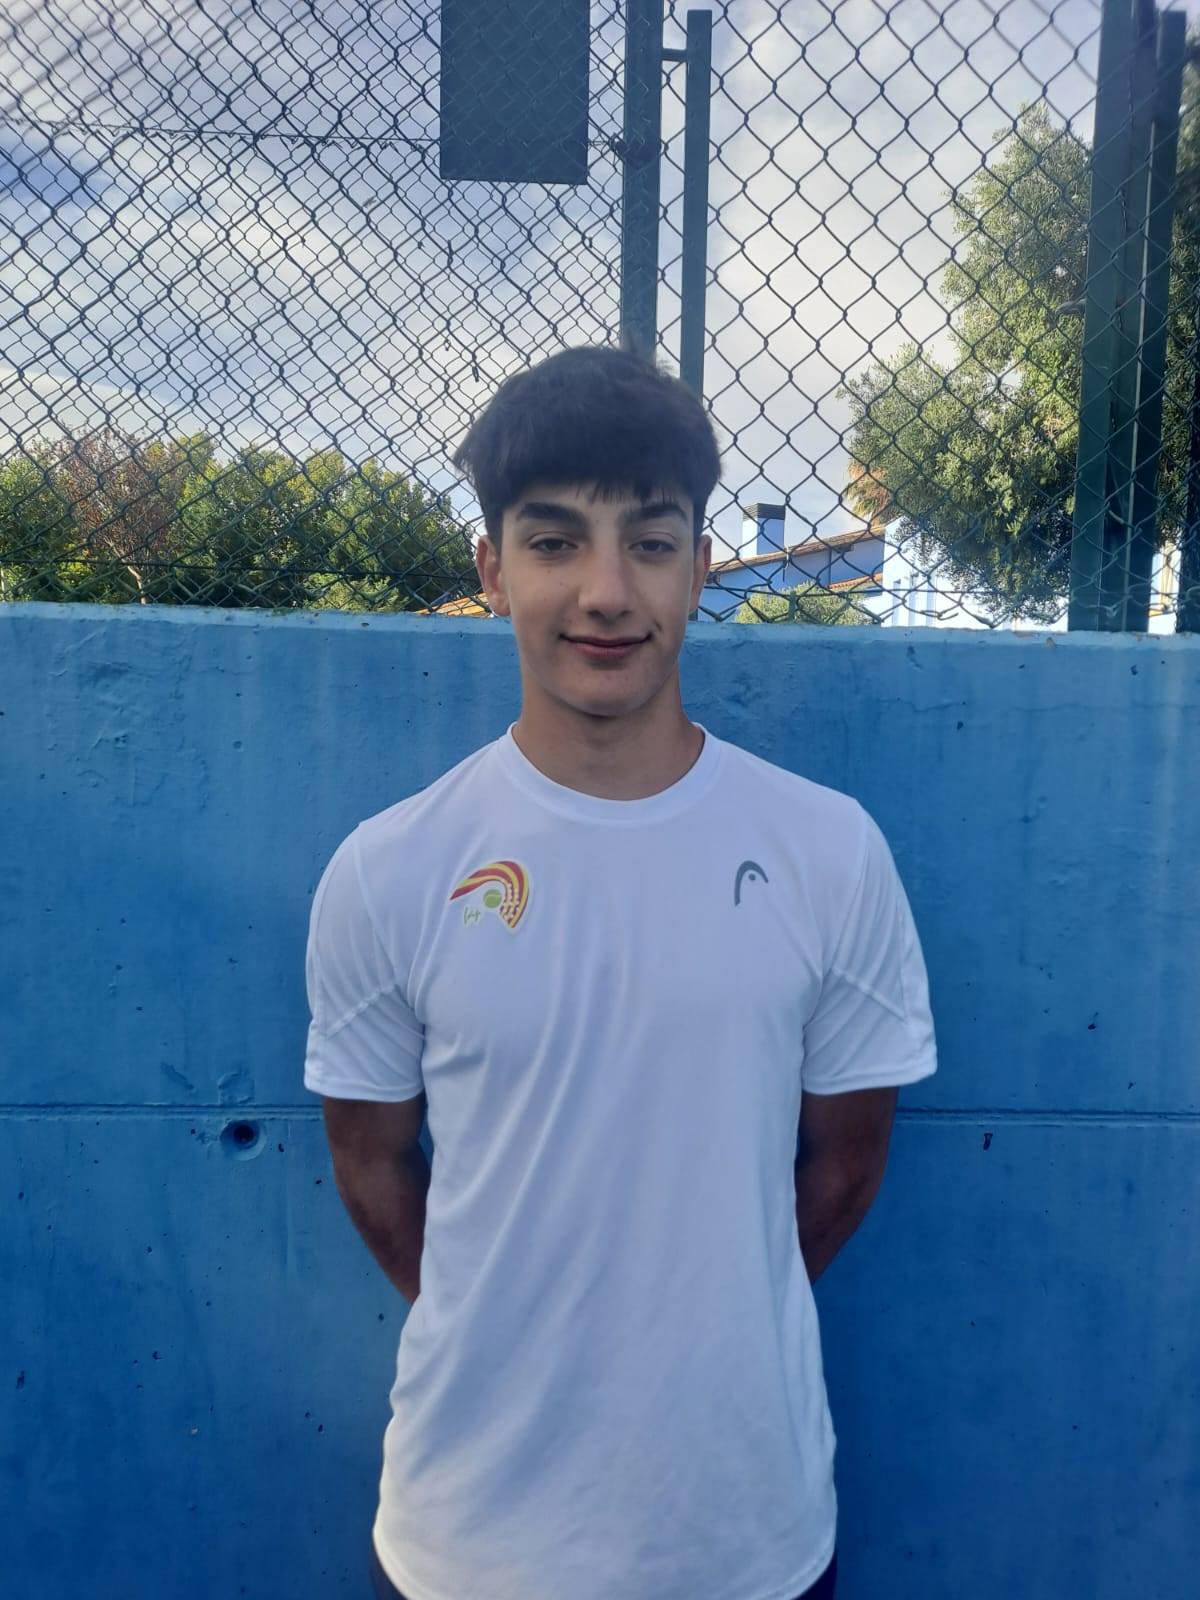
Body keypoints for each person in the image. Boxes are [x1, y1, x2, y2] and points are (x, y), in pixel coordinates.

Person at [303, 342, 938, 1600]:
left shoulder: (828, 852)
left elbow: (847, 1163)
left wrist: (713, 1307)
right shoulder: (390, 869)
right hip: (467, 1546)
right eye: (554, 541)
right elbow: (370, 1162)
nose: (605, 592)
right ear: (492, 568)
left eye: (649, 541)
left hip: (744, 1539)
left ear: (700, 566)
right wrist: (504, 1316)